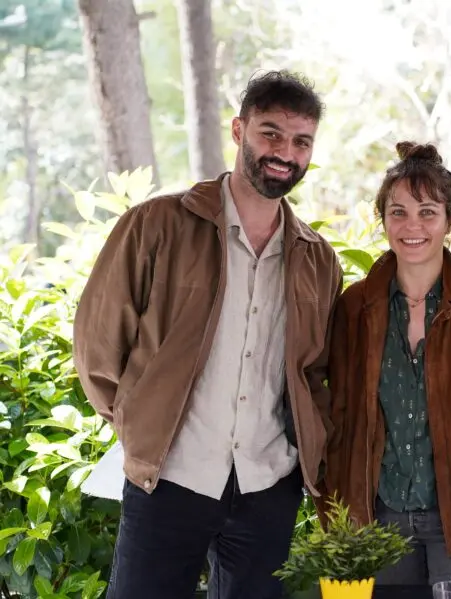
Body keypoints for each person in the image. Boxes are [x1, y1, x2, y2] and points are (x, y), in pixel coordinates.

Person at [73, 70, 342, 599]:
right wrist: (138, 424)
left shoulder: (317, 259)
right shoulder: (156, 224)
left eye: (301, 141)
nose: (285, 153)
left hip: (269, 485)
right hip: (171, 477)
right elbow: (97, 343)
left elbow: (314, 373)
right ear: (239, 131)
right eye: (271, 133)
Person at [323, 142, 451, 592]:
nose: (412, 226)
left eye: (428, 212)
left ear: (449, 220)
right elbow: (339, 418)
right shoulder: (355, 306)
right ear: (382, 220)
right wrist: (338, 519)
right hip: (377, 519)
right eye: (398, 212)